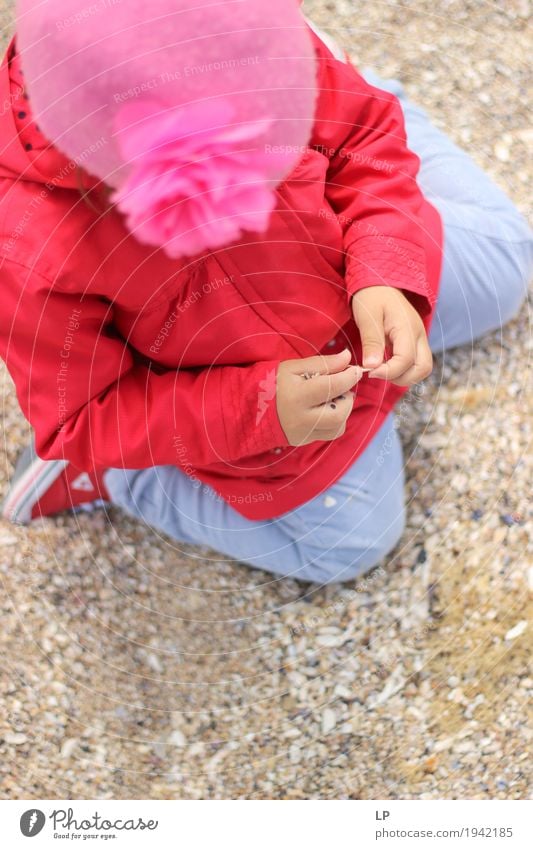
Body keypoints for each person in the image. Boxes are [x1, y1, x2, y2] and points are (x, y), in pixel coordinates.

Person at [1, 1, 531, 585]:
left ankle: (369, 79)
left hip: (355, 285)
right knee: (350, 548)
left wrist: (386, 263)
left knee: (511, 265)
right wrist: (254, 408)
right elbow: (79, 420)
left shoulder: (246, 39)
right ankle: (133, 483)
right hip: (272, 418)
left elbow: (362, 131)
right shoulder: (31, 245)